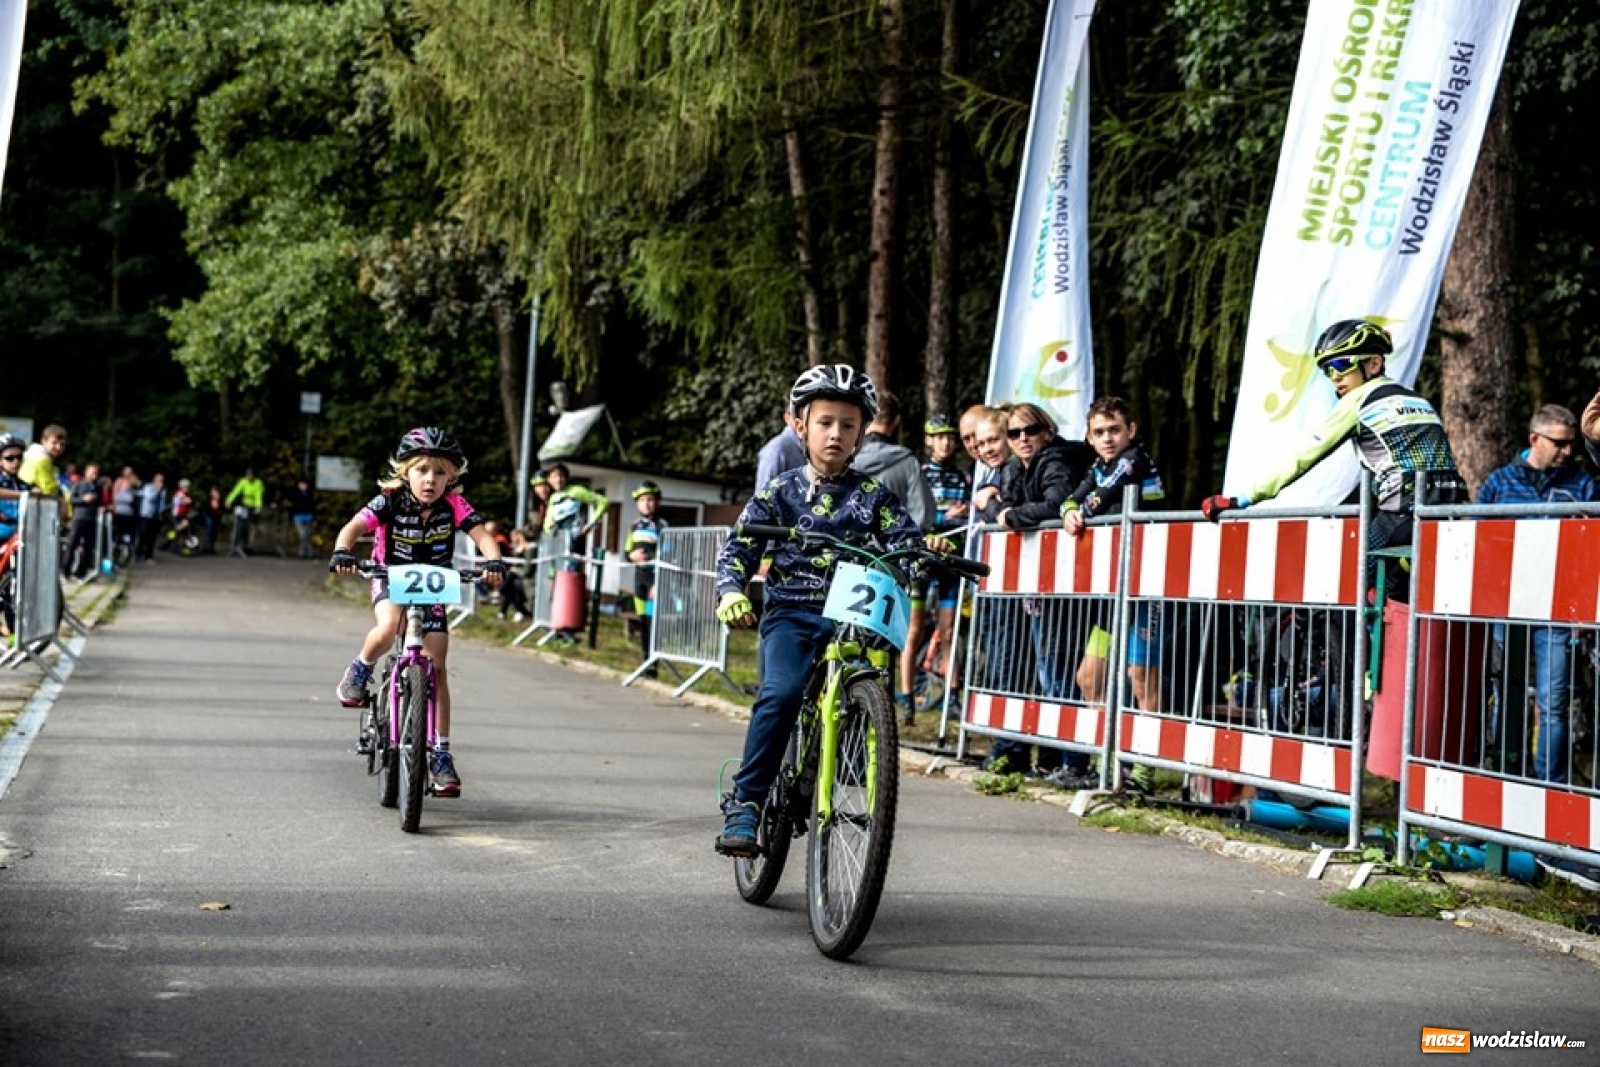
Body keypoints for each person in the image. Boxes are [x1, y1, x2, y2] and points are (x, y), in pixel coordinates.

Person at [711, 364, 953, 856]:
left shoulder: (874, 497)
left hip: (854, 615)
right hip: (794, 611)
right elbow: (737, 548)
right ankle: (748, 802)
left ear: (863, 432)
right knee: (780, 694)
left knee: (866, 685)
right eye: (825, 422)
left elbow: (904, 541)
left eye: (848, 424)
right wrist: (732, 590)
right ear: (799, 424)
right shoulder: (779, 492)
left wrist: (923, 549)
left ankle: (854, 759)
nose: (836, 434)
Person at [1201, 318, 1466, 602]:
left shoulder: (1359, 401)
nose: (1334, 377)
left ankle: (1350, 641)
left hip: (1403, 512)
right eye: (1327, 369)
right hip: (1450, 507)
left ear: (1374, 364)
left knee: (1346, 580)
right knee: (1390, 594)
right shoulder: (1416, 399)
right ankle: (1389, 604)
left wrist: (1243, 498)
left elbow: (1304, 457)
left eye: (1342, 366)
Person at [329, 428, 506, 798]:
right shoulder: (389, 500)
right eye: (422, 469)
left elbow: (483, 535)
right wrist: (344, 550)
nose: (431, 479)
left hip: (434, 584)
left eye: (440, 472)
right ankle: (360, 669)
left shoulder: (456, 505)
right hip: (389, 575)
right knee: (390, 623)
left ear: (452, 477)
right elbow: (354, 527)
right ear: (405, 471)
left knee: (437, 666)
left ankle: (440, 754)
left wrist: (494, 560)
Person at [1478, 404, 1598, 784]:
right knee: (1506, 695)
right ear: (1535, 439)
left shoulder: (1582, 485)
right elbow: (1478, 541)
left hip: (1558, 609)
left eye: (1571, 445)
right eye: (1560, 444)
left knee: (1554, 705)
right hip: (1506, 607)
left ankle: (1551, 788)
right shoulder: (1498, 482)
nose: (1567, 453)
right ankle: (1504, 778)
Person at [1061, 397, 1167, 791]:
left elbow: (1096, 498)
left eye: (1114, 430)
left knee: (1141, 679)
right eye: (1099, 432)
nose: (1107, 438)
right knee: (1089, 677)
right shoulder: (1099, 465)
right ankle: (1113, 760)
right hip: (1115, 590)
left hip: (1149, 587)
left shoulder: (1133, 459)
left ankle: (1144, 768)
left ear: (1131, 431)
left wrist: (1076, 511)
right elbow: (1074, 496)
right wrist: (1067, 510)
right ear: (1089, 437)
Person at [983, 403, 1094, 777]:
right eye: (1013, 434)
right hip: (1040, 583)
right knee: (1048, 672)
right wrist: (997, 506)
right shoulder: (1018, 466)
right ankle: (1057, 759)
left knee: (1060, 673)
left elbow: (1055, 504)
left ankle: (1074, 763)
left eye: (1029, 431)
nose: (1021, 439)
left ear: (1046, 431)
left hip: (1066, 586)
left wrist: (1008, 515)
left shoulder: (1055, 459)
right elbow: (994, 507)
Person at [898, 412, 972, 723]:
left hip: (950, 562)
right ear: (929, 440)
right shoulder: (921, 473)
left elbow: (969, 517)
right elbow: (915, 517)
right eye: (939, 436)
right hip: (923, 560)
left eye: (950, 437)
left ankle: (952, 696)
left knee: (949, 630)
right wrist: (944, 518)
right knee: (914, 628)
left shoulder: (964, 477)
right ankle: (905, 697)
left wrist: (959, 517)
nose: (946, 442)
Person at [851, 389, 936, 532]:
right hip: (893, 550)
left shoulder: (841, 461)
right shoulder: (908, 463)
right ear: (897, 420)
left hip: (848, 549)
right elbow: (922, 516)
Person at [626, 480, 667, 675]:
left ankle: (653, 665)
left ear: (657, 502)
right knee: (642, 622)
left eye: (650, 499)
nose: (647, 503)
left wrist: (658, 583)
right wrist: (631, 556)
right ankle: (645, 661)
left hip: (655, 581)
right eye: (642, 500)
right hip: (639, 580)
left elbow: (668, 554)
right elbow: (627, 552)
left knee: (652, 623)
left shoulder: (662, 525)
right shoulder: (634, 526)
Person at [754, 403, 805, 493]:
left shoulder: (809, 446)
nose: (804, 420)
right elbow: (763, 497)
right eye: (799, 414)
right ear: (787, 417)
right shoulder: (776, 450)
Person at [66, 462, 105, 578]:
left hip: (92, 519)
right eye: (92, 473)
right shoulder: (78, 485)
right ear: (86, 472)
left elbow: (101, 502)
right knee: (72, 544)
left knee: (88, 546)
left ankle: (81, 571)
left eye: (96, 474)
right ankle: (66, 569)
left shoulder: (98, 487)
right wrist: (83, 499)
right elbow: (72, 499)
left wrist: (101, 507)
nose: (94, 476)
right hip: (79, 517)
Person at [18, 425, 67, 509]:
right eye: (54, 443)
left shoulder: (33, 456)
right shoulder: (41, 459)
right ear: (43, 441)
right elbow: (48, 490)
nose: (58, 447)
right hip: (34, 506)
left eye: (62, 444)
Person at [225, 467, 266, 556]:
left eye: (250, 475)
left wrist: (258, 507)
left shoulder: (258, 483)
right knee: (240, 526)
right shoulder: (243, 481)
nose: (249, 477)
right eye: (247, 475)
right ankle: (236, 545)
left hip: (253, 507)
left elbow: (258, 495)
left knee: (249, 527)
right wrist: (229, 500)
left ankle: (246, 545)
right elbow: (236, 491)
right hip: (245, 506)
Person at [135, 472, 167, 563]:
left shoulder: (163, 491)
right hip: (146, 515)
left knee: (152, 537)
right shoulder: (148, 488)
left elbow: (161, 504)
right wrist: (157, 490)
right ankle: (138, 554)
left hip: (156, 516)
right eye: (159, 480)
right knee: (143, 535)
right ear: (154, 480)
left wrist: (161, 514)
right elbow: (149, 498)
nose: (160, 482)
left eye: (162, 480)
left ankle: (148, 556)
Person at [288, 478, 316, 559]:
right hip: (298, 517)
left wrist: (314, 518)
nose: (303, 486)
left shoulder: (310, 494)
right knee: (302, 535)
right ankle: (302, 552)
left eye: (304, 484)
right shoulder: (295, 494)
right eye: (301, 484)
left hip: (308, 517)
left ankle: (308, 552)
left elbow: (312, 507)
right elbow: (292, 506)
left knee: (308, 535)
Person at [201, 484, 224, 554]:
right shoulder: (209, 499)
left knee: (214, 532)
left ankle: (211, 547)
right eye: (212, 491)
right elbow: (207, 508)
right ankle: (205, 547)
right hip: (210, 517)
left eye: (215, 491)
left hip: (217, 517)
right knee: (208, 532)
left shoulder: (220, 500)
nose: (214, 493)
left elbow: (222, 508)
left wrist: (219, 500)